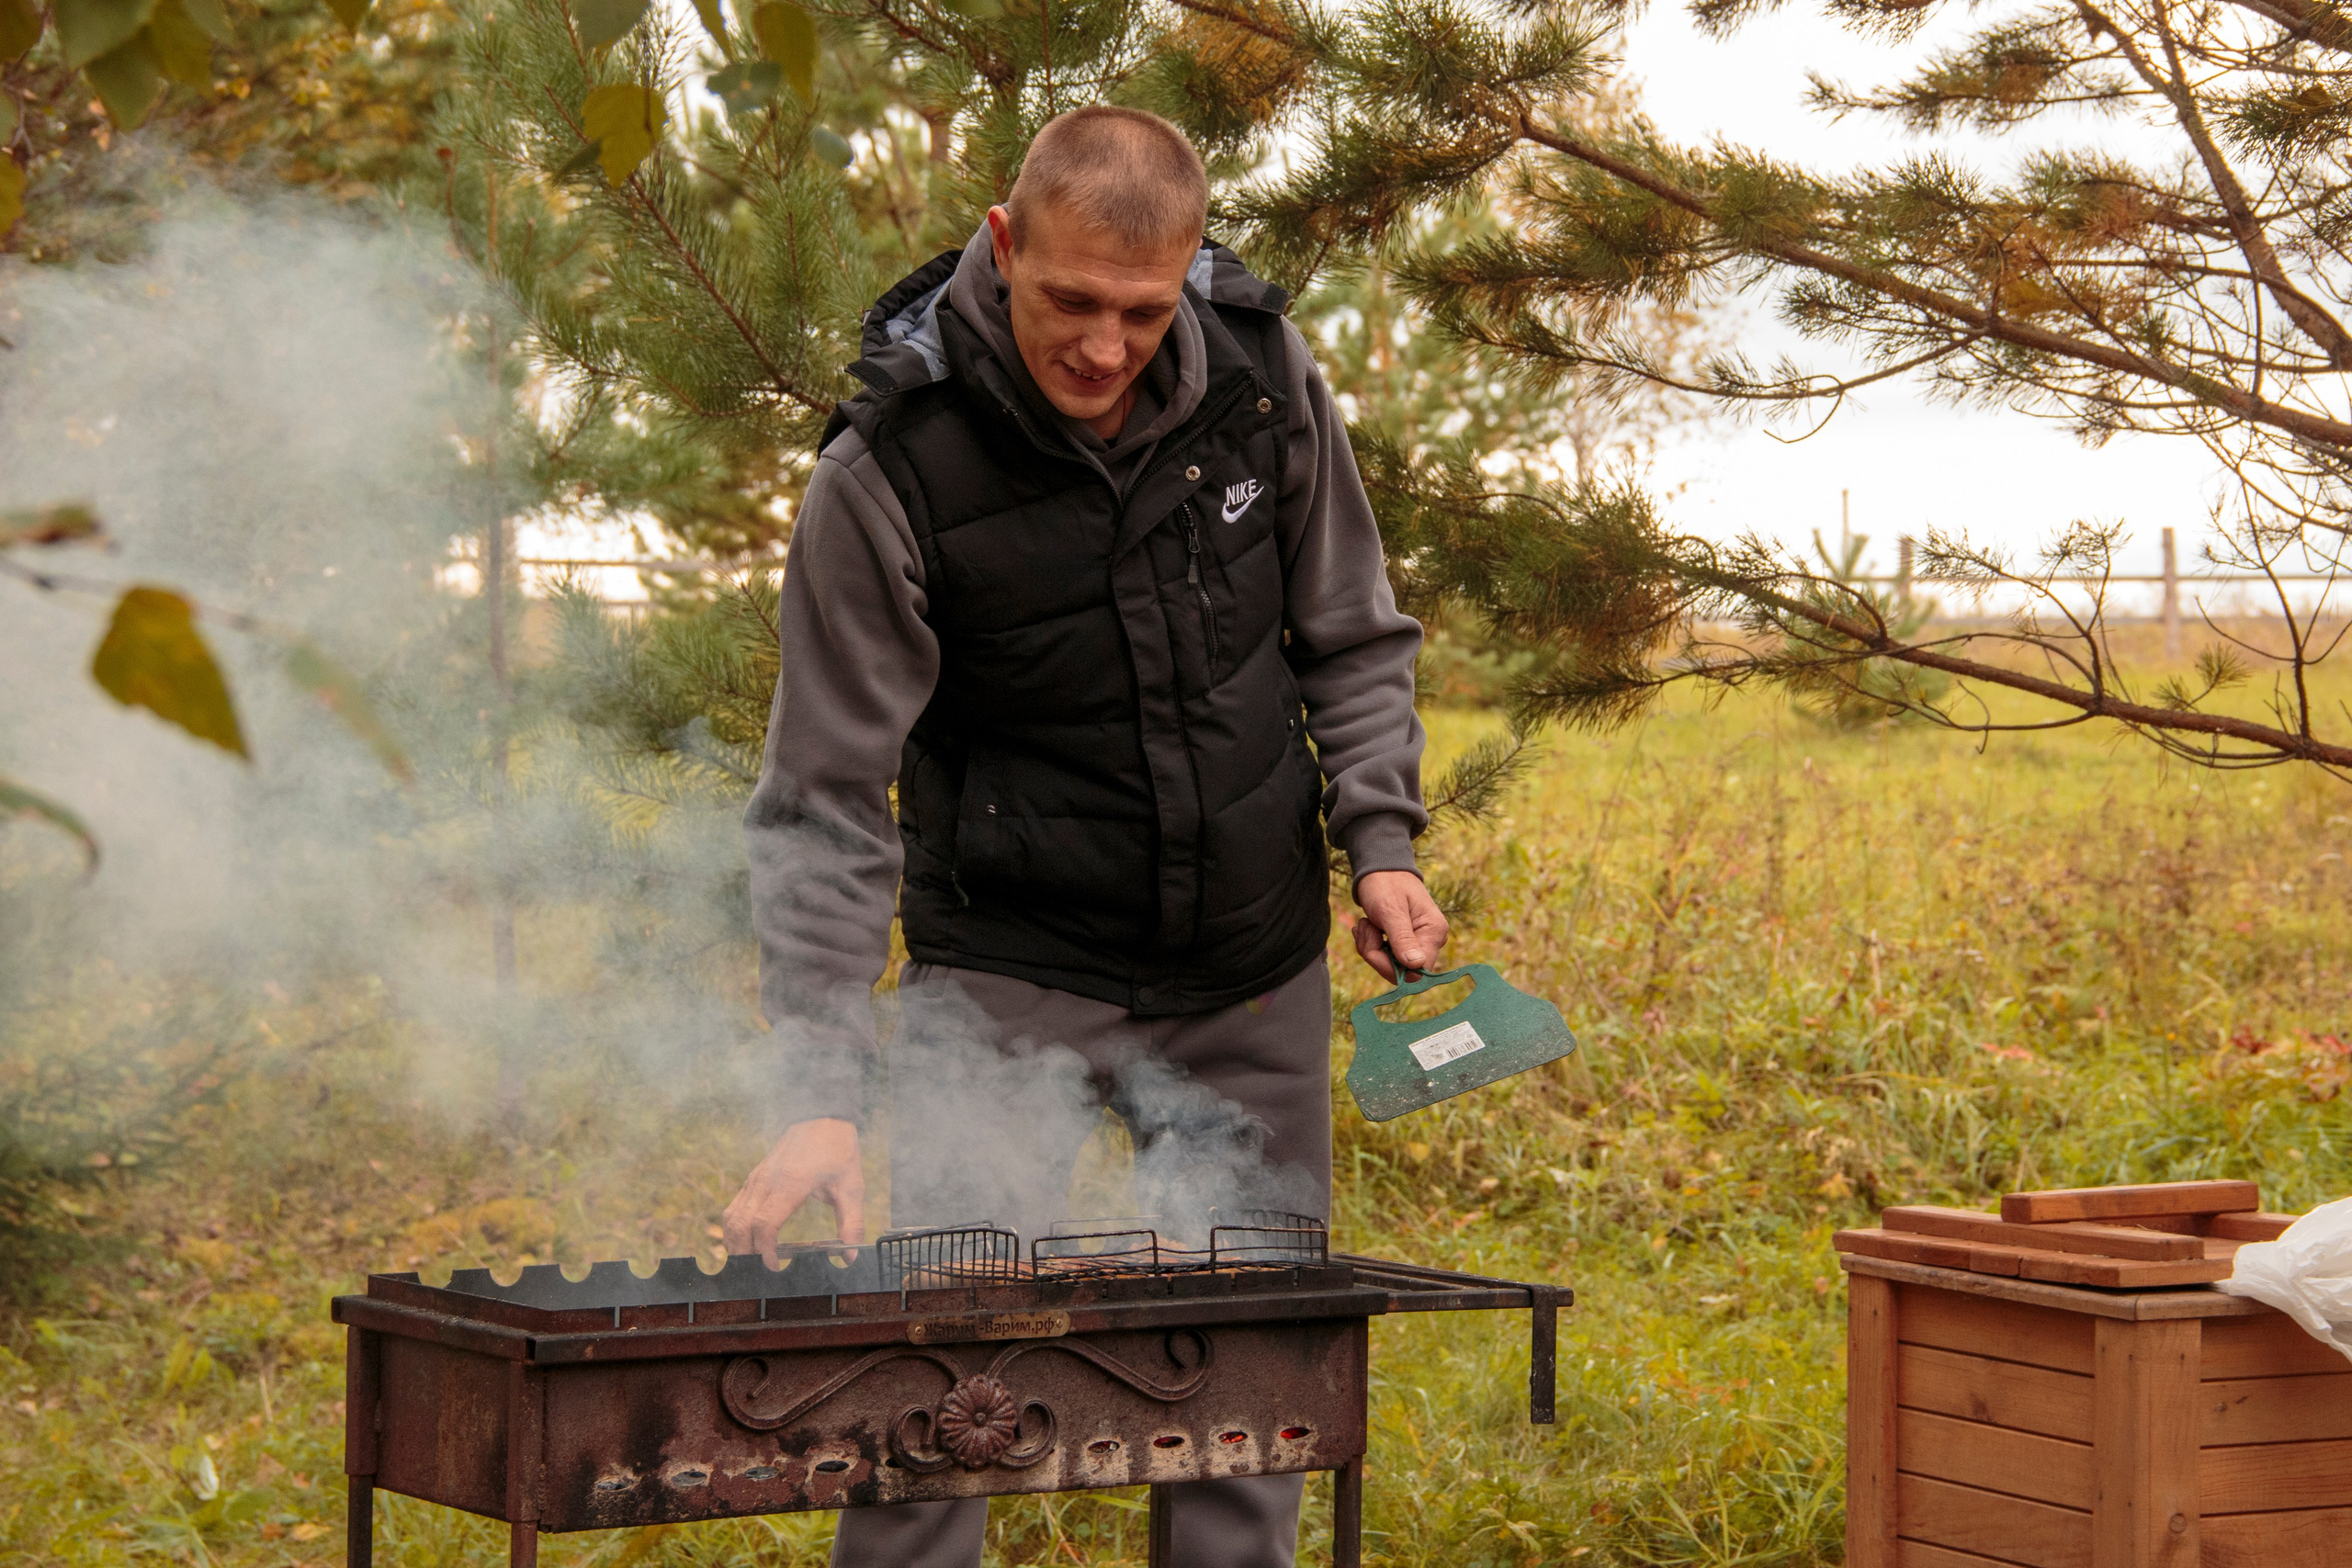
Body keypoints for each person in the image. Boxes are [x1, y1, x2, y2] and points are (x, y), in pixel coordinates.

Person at [724, 104, 1446, 1568]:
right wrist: (819, 1085)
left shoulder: (1263, 374)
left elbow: (1352, 635)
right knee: (942, 1406)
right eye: (1069, 301)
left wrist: (1382, 839)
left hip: (1245, 971)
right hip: (1007, 984)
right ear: (1003, 245)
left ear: (1187, 275)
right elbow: (824, 795)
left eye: (1140, 309)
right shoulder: (892, 460)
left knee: (1249, 1401)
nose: (1104, 348)